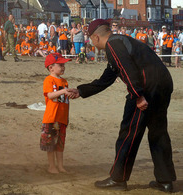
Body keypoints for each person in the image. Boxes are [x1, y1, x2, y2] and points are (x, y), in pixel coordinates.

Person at [71, 19, 176, 192]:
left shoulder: (113, 45)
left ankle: (118, 179)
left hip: (146, 88)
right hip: (162, 84)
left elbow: (128, 70)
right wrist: (81, 91)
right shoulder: (121, 42)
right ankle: (165, 181)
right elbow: (107, 77)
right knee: (158, 133)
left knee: (129, 133)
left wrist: (137, 95)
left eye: (90, 38)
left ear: (96, 37)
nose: (90, 42)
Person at [40, 53, 75, 174]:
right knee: (51, 144)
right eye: (60, 65)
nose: (63, 67)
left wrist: (70, 94)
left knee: (60, 144)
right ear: (51, 68)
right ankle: (52, 166)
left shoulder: (64, 81)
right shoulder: (49, 80)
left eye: (63, 65)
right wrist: (64, 91)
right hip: (52, 117)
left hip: (62, 117)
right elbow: (49, 95)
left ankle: (60, 166)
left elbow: (64, 100)